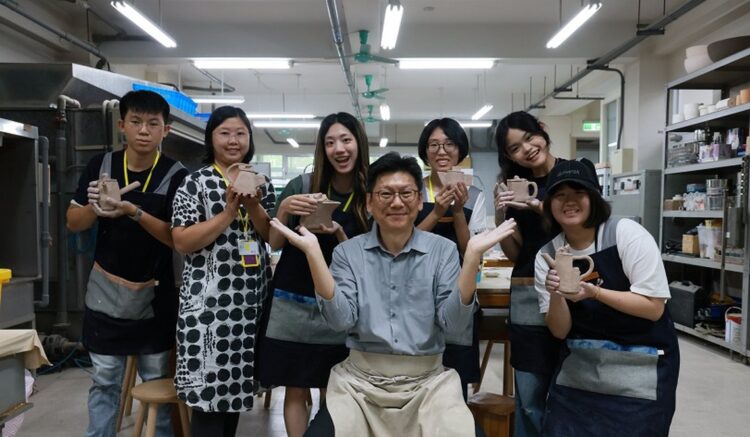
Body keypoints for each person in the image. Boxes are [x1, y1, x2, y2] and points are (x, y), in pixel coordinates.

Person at [270, 152, 517, 437]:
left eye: (406, 193)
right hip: (358, 386)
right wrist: (314, 254)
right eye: (385, 194)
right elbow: (340, 321)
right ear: (369, 203)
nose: (397, 202)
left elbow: (454, 325)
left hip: (429, 384)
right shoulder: (348, 253)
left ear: (420, 201)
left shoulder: (443, 251)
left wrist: (471, 258)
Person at [66, 90, 189, 437]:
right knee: (104, 380)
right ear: (122, 125)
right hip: (105, 294)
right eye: (136, 122)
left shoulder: (177, 175)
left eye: (153, 124)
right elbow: (73, 222)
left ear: (166, 130)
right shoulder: (100, 166)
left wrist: (133, 211)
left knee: (157, 382)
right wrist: (96, 208)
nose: (144, 130)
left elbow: (178, 239)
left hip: (156, 299)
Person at [535, 158, 679, 436]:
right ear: (549, 204)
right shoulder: (548, 255)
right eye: (560, 195)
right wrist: (555, 294)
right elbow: (559, 330)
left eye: (579, 192)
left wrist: (595, 293)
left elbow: (653, 308)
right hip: (582, 369)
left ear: (594, 197)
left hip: (640, 366)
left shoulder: (625, 234)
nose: (569, 201)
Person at [256, 112, 370, 437]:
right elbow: (275, 242)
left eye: (346, 140)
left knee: (333, 387)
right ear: (322, 148)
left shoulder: (370, 192)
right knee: (295, 385)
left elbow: (370, 258)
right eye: (330, 142)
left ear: (359, 143)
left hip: (339, 303)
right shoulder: (302, 186)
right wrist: (284, 209)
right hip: (291, 298)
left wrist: (339, 233)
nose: (339, 149)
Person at [170, 106, 275, 437]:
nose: (233, 140)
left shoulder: (262, 183)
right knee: (208, 402)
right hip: (208, 312)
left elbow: (271, 236)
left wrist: (253, 204)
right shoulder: (194, 183)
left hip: (249, 309)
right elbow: (182, 241)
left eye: (241, 133)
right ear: (211, 138)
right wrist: (228, 213)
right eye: (225, 133)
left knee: (234, 398)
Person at [493, 110, 563, 436]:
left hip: (572, 285)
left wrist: (539, 206)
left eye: (529, 137)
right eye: (515, 148)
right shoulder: (514, 185)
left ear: (542, 130)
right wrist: (500, 215)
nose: (527, 149)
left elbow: (588, 227)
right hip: (526, 289)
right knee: (530, 396)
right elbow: (515, 253)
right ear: (509, 156)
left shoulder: (574, 172)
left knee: (573, 390)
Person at [415, 118, 486, 397]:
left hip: (458, 292)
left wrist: (457, 212)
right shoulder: (413, 190)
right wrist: (436, 212)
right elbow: (403, 243)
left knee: (455, 382)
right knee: (417, 379)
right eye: (433, 145)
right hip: (416, 292)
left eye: (449, 144)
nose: (441, 151)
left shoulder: (475, 195)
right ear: (425, 151)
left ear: (460, 151)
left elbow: (472, 253)